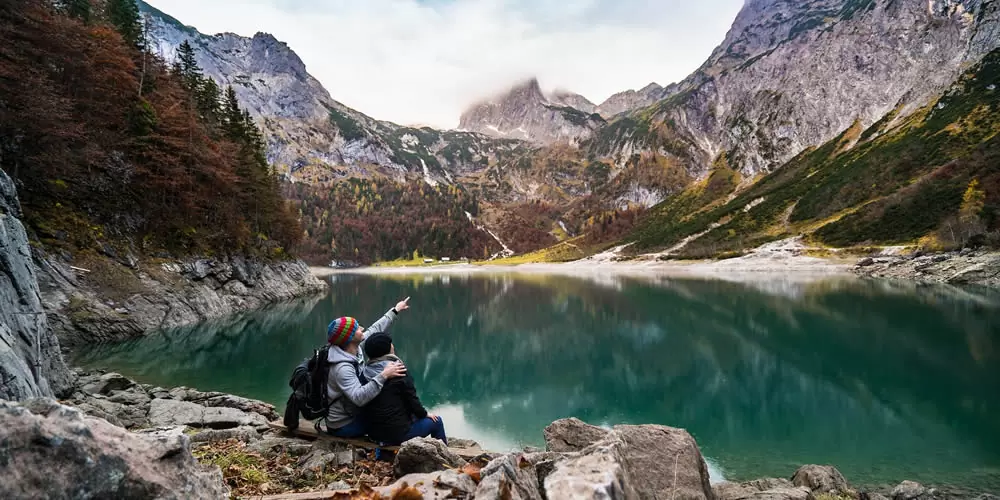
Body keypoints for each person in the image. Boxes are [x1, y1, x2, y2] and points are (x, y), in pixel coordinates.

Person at [324, 297, 411, 438]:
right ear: (350, 337)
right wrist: (384, 375)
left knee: (389, 412)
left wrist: (395, 310)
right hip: (343, 424)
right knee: (391, 420)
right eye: (358, 328)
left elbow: (375, 329)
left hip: (353, 412)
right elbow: (359, 398)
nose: (362, 328)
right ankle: (383, 451)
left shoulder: (353, 347)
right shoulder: (342, 368)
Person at [361, 332, 447, 446]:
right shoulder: (399, 371)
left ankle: (381, 454)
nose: (392, 345)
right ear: (387, 349)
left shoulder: (364, 371)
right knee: (436, 422)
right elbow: (412, 400)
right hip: (397, 434)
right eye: (390, 343)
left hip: (373, 433)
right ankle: (446, 457)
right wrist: (425, 414)